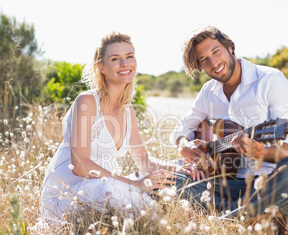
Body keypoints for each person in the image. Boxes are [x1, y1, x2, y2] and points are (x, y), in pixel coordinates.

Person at [170, 26, 288, 235]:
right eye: (203, 59)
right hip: (229, 183)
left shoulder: (270, 80)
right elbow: (184, 124)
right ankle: (265, 211)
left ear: (230, 48)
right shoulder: (208, 93)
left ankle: (230, 218)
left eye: (216, 51)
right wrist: (184, 143)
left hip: (273, 180)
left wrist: (260, 153)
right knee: (168, 181)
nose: (213, 62)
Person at [40, 32, 188, 222]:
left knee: (158, 185)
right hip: (71, 191)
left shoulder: (128, 110)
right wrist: (135, 185)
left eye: (129, 56)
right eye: (115, 59)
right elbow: (80, 166)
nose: (125, 63)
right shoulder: (87, 101)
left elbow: (143, 161)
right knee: (130, 197)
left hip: (107, 186)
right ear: (102, 68)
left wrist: (180, 167)